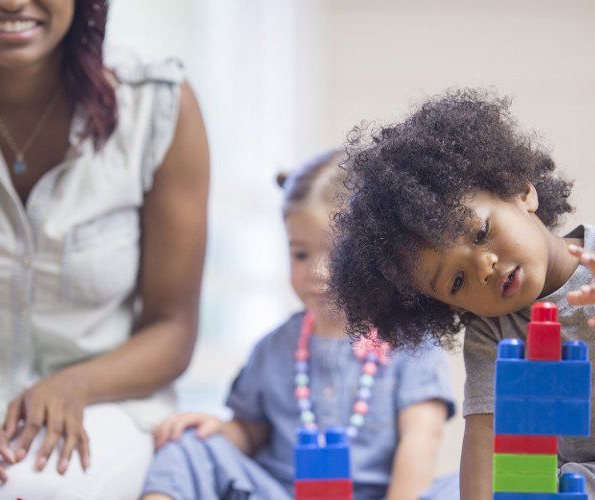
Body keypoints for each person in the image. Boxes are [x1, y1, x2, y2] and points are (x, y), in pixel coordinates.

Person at [327, 90, 595, 499]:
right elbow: (484, 439)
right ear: (451, 306)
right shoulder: (495, 334)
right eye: (456, 281)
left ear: (522, 191)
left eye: (482, 232)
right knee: (562, 483)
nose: (483, 266)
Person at [0, 0, 208, 498]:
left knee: (25, 491)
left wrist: (75, 385)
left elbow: (173, 330)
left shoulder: (158, 106)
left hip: (102, 402)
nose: (9, 2)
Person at [141, 151, 456, 500]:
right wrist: (218, 432)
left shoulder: (411, 342)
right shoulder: (275, 347)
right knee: (186, 446)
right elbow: (250, 432)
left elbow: (420, 440)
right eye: (301, 254)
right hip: (280, 494)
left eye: (337, 254)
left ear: (376, 252)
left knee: (466, 484)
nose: (317, 273)